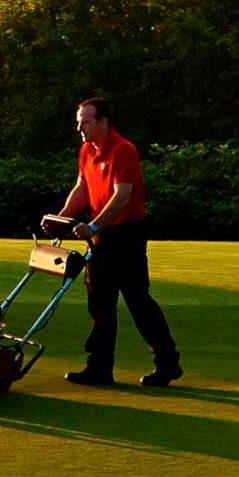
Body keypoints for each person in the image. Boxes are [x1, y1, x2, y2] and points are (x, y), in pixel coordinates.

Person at [57, 95, 180, 387]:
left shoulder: (123, 150)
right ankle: (99, 366)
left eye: (86, 122)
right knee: (99, 301)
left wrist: (95, 224)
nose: (80, 129)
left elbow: (122, 195)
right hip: (102, 235)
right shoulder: (87, 150)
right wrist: (60, 218)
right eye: (79, 122)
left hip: (127, 234)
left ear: (103, 122)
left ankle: (167, 362)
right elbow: (82, 188)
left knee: (138, 300)